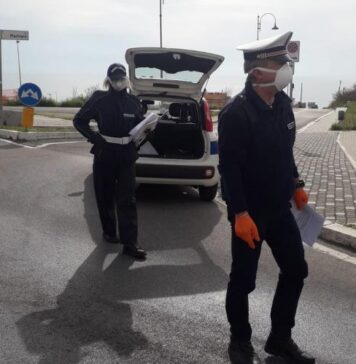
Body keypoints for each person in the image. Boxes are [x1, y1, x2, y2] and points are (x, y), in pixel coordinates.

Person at [218, 32, 314, 364]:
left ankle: (279, 337)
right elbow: (228, 169)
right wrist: (240, 213)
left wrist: (296, 182)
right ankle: (239, 341)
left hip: (279, 208)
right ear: (258, 73)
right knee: (243, 280)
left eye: (285, 63)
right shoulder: (236, 113)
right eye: (279, 63)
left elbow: (284, 152)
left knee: (296, 270)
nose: (286, 69)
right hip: (250, 212)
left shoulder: (283, 104)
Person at [73, 63, 147, 260]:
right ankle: (109, 232)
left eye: (122, 78)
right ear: (108, 80)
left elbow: (140, 125)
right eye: (115, 79)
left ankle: (130, 244)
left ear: (126, 79)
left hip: (126, 156)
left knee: (127, 200)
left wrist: (146, 130)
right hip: (105, 153)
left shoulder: (133, 101)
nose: (119, 82)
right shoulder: (99, 99)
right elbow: (79, 120)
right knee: (105, 197)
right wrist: (94, 137)